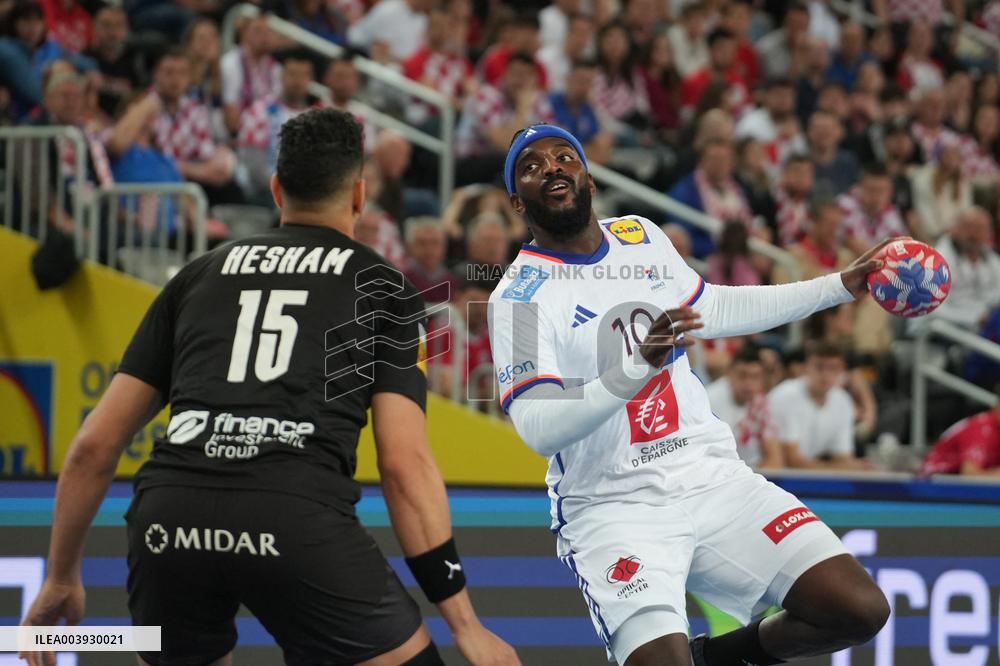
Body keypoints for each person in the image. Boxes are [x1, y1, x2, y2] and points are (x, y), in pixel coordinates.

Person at [18, 108, 519, 666]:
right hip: (294, 517)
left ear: (277, 189)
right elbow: (404, 465)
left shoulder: (198, 274)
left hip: (169, 519)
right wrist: (465, 623)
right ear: (359, 195)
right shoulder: (384, 289)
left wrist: (61, 575)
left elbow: (93, 448)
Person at [489, 123, 890, 666]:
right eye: (532, 167)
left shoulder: (639, 235)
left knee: (858, 609)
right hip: (614, 507)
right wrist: (632, 370)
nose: (553, 167)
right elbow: (538, 427)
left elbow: (715, 308)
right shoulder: (517, 297)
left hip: (712, 480)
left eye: (565, 156)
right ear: (517, 201)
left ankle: (716, 659)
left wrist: (837, 286)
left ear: (589, 176)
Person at [768, 341, 871, 470]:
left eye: (833, 368)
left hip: (809, 475)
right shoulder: (784, 396)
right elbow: (791, 460)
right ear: (806, 367)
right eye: (819, 367)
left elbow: (843, 456)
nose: (826, 374)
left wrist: (857, 467)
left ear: (841, 370)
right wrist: (844, 468)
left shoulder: (843, 401)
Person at [706, 344, 784, 469]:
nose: (749, 384)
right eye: (742, 375)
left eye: (755, 377)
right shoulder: (709, 400)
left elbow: (775, 459)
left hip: (752, 474)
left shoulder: (761, 402)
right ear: (729, 373)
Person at [920, 403, 1000, 477]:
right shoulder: (982, 429)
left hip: (953, 481)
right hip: (934, 483)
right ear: (996, 407)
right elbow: (970, 474)